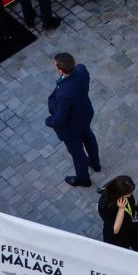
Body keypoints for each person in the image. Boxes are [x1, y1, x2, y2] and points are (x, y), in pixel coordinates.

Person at [47, 52, 101, 187]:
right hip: (84, 114)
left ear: (60, 69)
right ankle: (95, 163)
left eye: (55, 65)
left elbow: (60, 118)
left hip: (71, 126)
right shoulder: (81, 70)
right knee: (88, 136)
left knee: (77, 153)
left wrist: (50, 121)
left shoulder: (64, 94)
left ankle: (84, 179)